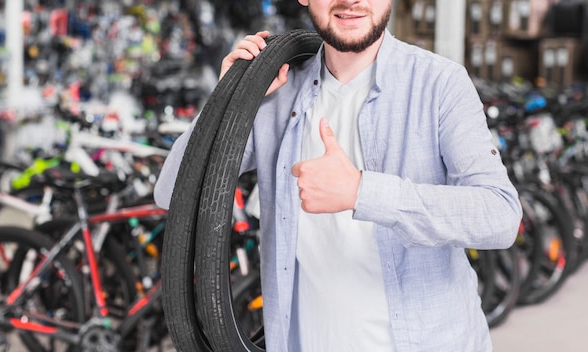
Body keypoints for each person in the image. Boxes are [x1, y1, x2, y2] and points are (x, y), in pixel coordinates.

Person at [154, 0, 522, 350]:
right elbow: (173, 193)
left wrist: (362, 192)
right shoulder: (275, 93)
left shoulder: (439, 84)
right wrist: (227, 99)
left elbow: (500, 215)